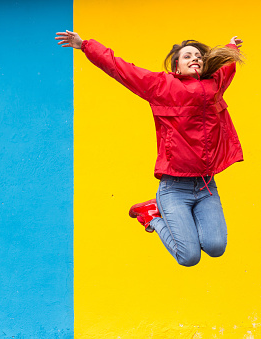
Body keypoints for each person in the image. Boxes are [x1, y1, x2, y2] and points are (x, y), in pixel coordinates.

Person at [56, 30, 244, 266]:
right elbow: (121, 69)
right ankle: (151, 215)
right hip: (174, 188)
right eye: (187, 56)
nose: (195, 58)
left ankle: (177, 219)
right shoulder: (162, 86)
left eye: (198, 56)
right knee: (189, 257)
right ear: (176, 67)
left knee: (216, 248)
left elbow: (226, 65)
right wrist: (85, 46)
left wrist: (231, 47)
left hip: (206, 185)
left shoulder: (215, 85)